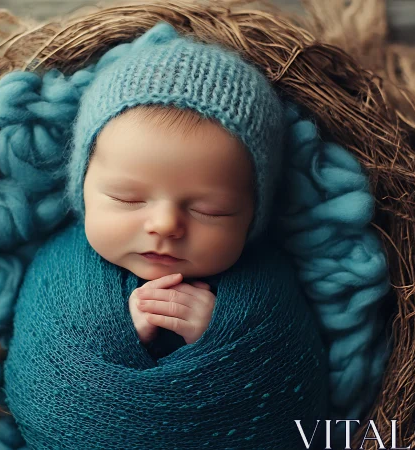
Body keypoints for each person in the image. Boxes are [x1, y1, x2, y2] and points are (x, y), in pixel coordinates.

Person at [65, 22, 290, 357]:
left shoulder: (268, 283)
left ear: (254, 215)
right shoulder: (61, 270)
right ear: (83, 188)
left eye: (210, 210)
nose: (165, 225)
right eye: (128, 198)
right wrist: (117, 336)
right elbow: (42, 355)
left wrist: (222, 339)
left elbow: (292, 368)